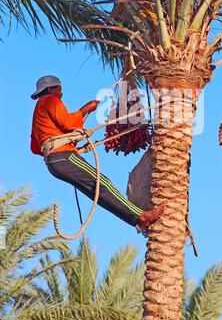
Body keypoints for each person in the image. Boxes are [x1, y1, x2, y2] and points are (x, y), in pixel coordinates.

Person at [30, 75, 163, 234]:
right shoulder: (50, 100)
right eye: (60, 89)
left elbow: (35, 147)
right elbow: (68, 123)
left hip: (53, 162)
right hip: (64, 156)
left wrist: (71, 147)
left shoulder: (38, 111)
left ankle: (136, 221)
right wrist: (85, 109)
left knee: (98, 193)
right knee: (103, 184)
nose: (61, 94)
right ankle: (142, 216)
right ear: (51, 89)